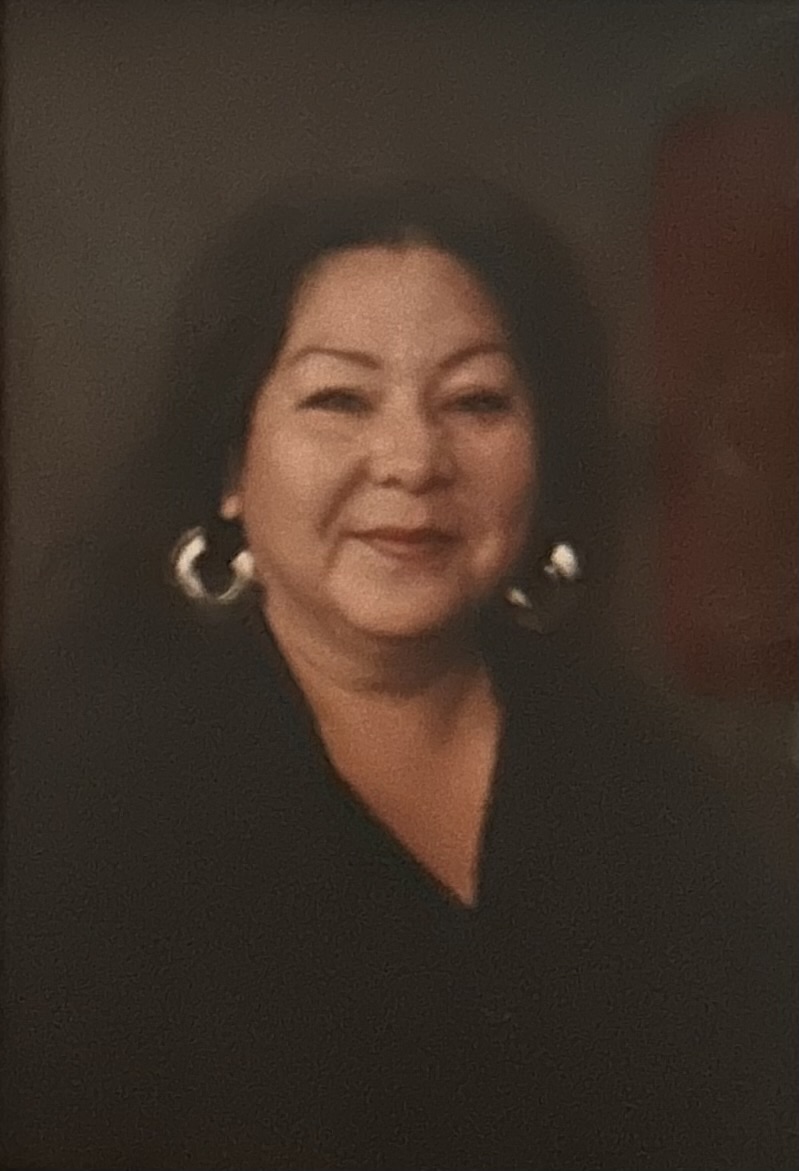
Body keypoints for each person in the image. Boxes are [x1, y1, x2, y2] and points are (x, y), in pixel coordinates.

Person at [4, 174, 795, 1170]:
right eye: (340, 399)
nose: (413, 460)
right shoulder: (73, 791)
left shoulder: (645, 780)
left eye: (475, 401)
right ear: (230, 467)